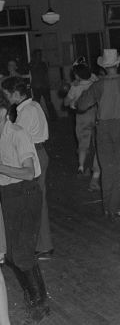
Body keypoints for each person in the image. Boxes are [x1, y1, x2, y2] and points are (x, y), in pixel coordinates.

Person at [0, 94, 49, 322]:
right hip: (9, 195)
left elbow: (29, 172)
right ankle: (36, 295)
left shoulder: (17, 134)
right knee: (13, 253)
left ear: (2, 112)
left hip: (26, 193)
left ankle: (39, 301)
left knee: (21, 253)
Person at [78, 49, 120, 219]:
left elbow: (81, 106)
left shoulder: (97, 85)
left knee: (107, 167)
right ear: (118, 65)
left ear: (103, 67)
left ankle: (109, 207)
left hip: (103, 128)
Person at [1, 77, 53, 257]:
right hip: (38, 152)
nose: (6, 98)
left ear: (15, 94)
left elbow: (16, 138)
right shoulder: (33, 106)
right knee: (38, 199)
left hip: (33, 155)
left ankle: (42, 245)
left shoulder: (27, 111)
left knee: (35, 201)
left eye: (7, 95)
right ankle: (41, 244)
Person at [63, 62, 100, 190]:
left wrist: (71, 94)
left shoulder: (75, 87)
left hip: (82, 117)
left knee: (83, 143)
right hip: (96, 115)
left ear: (77, 75)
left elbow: (66, 102)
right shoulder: (95, 84)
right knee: (97, 144)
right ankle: (96, 171)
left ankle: (81, 167)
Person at [29, 49, 57, 120]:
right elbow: (33, 69)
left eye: (40, 54)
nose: (40, 56)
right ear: (34, 55)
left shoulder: (43, 64)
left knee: (48, 102)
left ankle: (53, 118)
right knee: (37, 103)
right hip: (36, 86)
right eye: (38, 54)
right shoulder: (31, 63)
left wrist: (48, 83)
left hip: (44, 85)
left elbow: (46, 74)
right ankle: (37, 118)